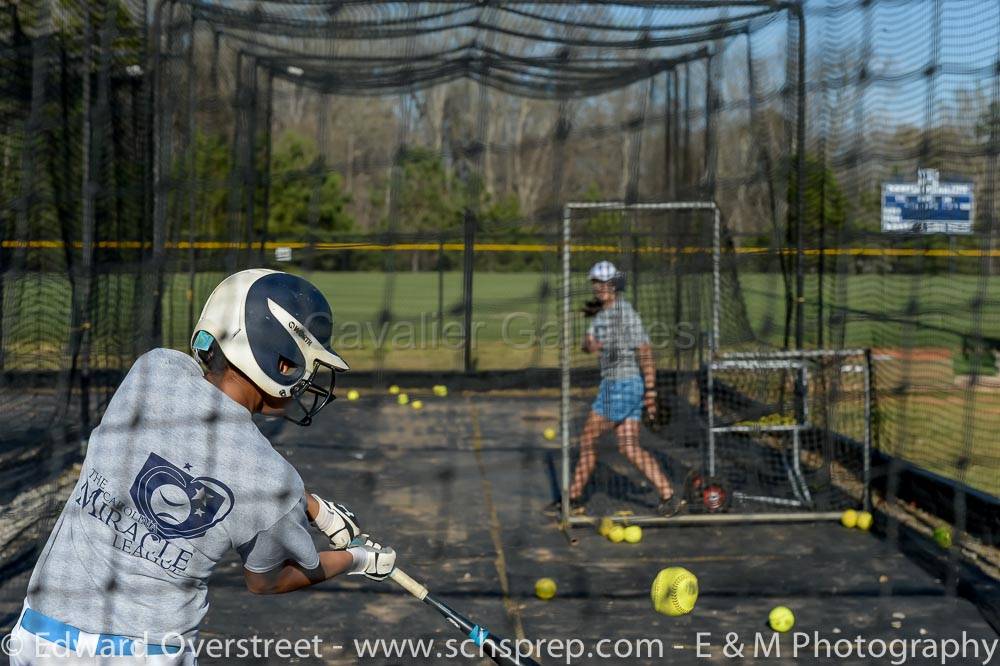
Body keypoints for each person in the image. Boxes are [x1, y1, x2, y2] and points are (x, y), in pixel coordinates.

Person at [8, 269, 394, 665]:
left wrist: (311, 506)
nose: (307, 381)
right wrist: (358, 559)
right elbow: (267, 581)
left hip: (40, 633)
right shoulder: (273, 481)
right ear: (280, 365)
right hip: (144, 651)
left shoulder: (152, 371)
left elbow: (198, 448)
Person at [562, 260, 682, 517]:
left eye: (606, 282)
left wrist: (650, 392)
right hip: (614, 385)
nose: (601, 287)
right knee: (628, 447)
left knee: (587, 439)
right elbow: (589, 344)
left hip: (623, 386)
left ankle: (572, 500)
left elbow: (646, 352)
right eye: (597, 282)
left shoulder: (625, 315)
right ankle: (668, 495)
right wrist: (589, 343)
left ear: (615, 284)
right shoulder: (603, 313)